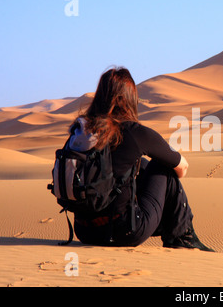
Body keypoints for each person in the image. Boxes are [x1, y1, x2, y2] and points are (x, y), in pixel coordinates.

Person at [69, 66, 214, 251]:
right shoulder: (134, 133)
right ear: (129, 99)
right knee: (162, 166)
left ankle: (178, 234)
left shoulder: (81, 132)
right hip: (124, 232)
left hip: (85, 232)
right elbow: (182, 167)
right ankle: (182, 237)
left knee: (142, 165)